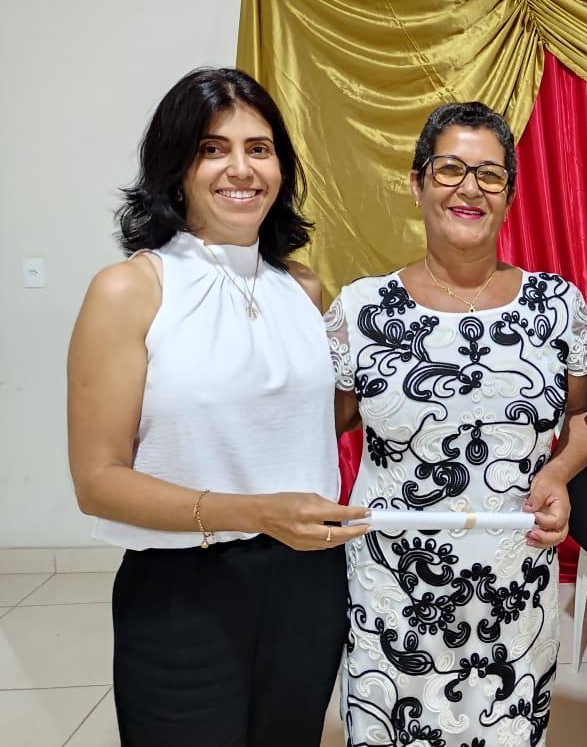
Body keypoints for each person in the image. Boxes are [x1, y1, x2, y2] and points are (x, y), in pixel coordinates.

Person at [67, 68, 368, 747]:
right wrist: (256, 512)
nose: (241, 168)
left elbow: (308, 422)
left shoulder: (304, 287)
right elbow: (98, 481)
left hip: (309, 582)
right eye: (213, 149)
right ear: (177, 167)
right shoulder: (131, 290)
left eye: (260, 149)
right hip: (184, 587)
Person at [326, 101, 587, 746]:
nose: (470, 189)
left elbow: (586, 417)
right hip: (393, 590)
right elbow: (316, 429)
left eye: (490, 174)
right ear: (417, 183)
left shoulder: (557, 305)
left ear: (510, 193)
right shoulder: (362, 309)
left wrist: (558, 474)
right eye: (449, 169)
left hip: (514, 582)